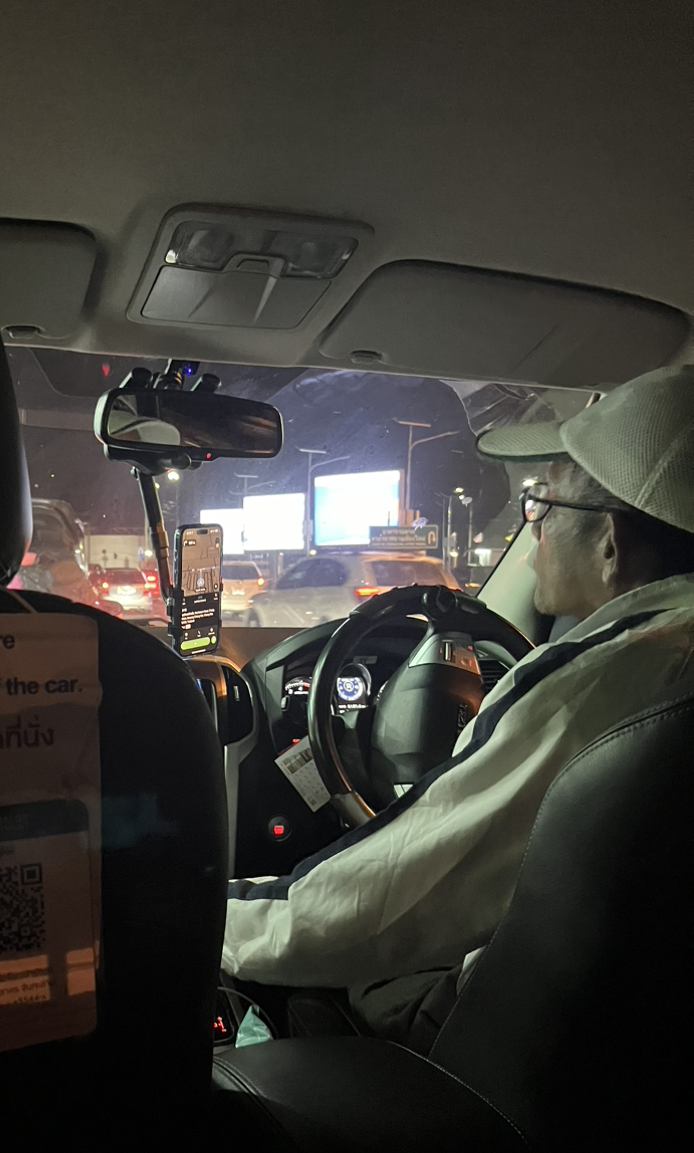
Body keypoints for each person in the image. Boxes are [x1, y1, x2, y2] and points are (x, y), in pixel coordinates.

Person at [222, 364, 694, 1048]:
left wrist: (205, 911)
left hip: (504, 1041)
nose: (533, 532)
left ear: (609, 543)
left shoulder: (592, 687)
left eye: (542, 505)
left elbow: (373, 906)